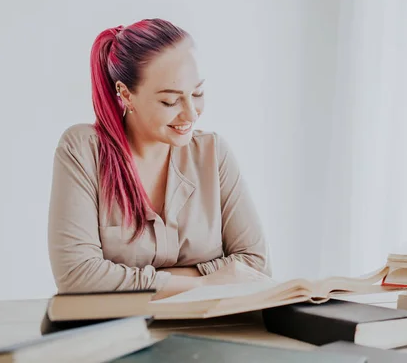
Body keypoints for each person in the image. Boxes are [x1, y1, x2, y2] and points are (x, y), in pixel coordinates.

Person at [47, 18, 271, 300]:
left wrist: (125, 279)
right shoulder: (83, 150)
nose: (191, 114)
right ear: (126, 94)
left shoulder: (213, 152)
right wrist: (206, 282)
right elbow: (77, 276)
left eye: (197, 93)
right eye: (170, 101)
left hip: (207, 329)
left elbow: (257, 267)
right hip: (114, 335)